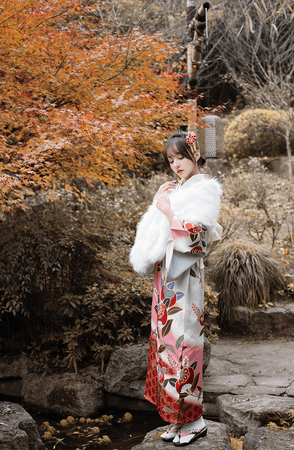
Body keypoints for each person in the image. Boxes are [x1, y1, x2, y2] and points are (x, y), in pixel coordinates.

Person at [129, 131, 222, 446]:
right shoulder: (175, 188)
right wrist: (162, 203)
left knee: (185, 348)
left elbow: (196, 239)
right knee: (165, 347)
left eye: (181, 157)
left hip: (186, 280)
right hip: (166, 280)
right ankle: (175, 419)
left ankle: (194, 420)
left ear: (195, 154)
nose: (176, 164)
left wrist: (168, 211)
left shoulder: (205, 189)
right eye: (171, 160)